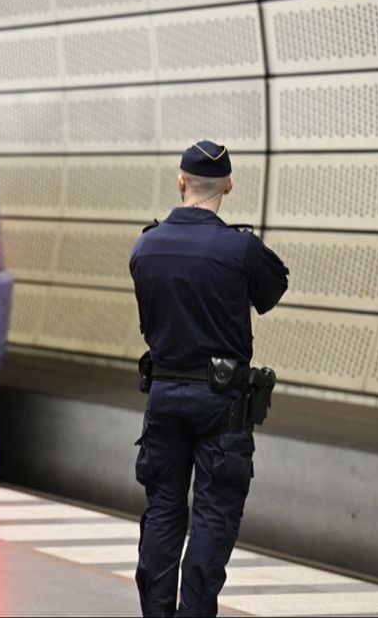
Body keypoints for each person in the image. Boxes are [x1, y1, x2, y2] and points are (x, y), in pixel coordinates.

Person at [130, 140, 289, 617]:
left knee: (162, 511)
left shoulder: (146, 245)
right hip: (222, 404)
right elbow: (273, 289)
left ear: (180, 182)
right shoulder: (241, 248)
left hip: (163, 396)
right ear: (230, 186)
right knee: (213, 515)